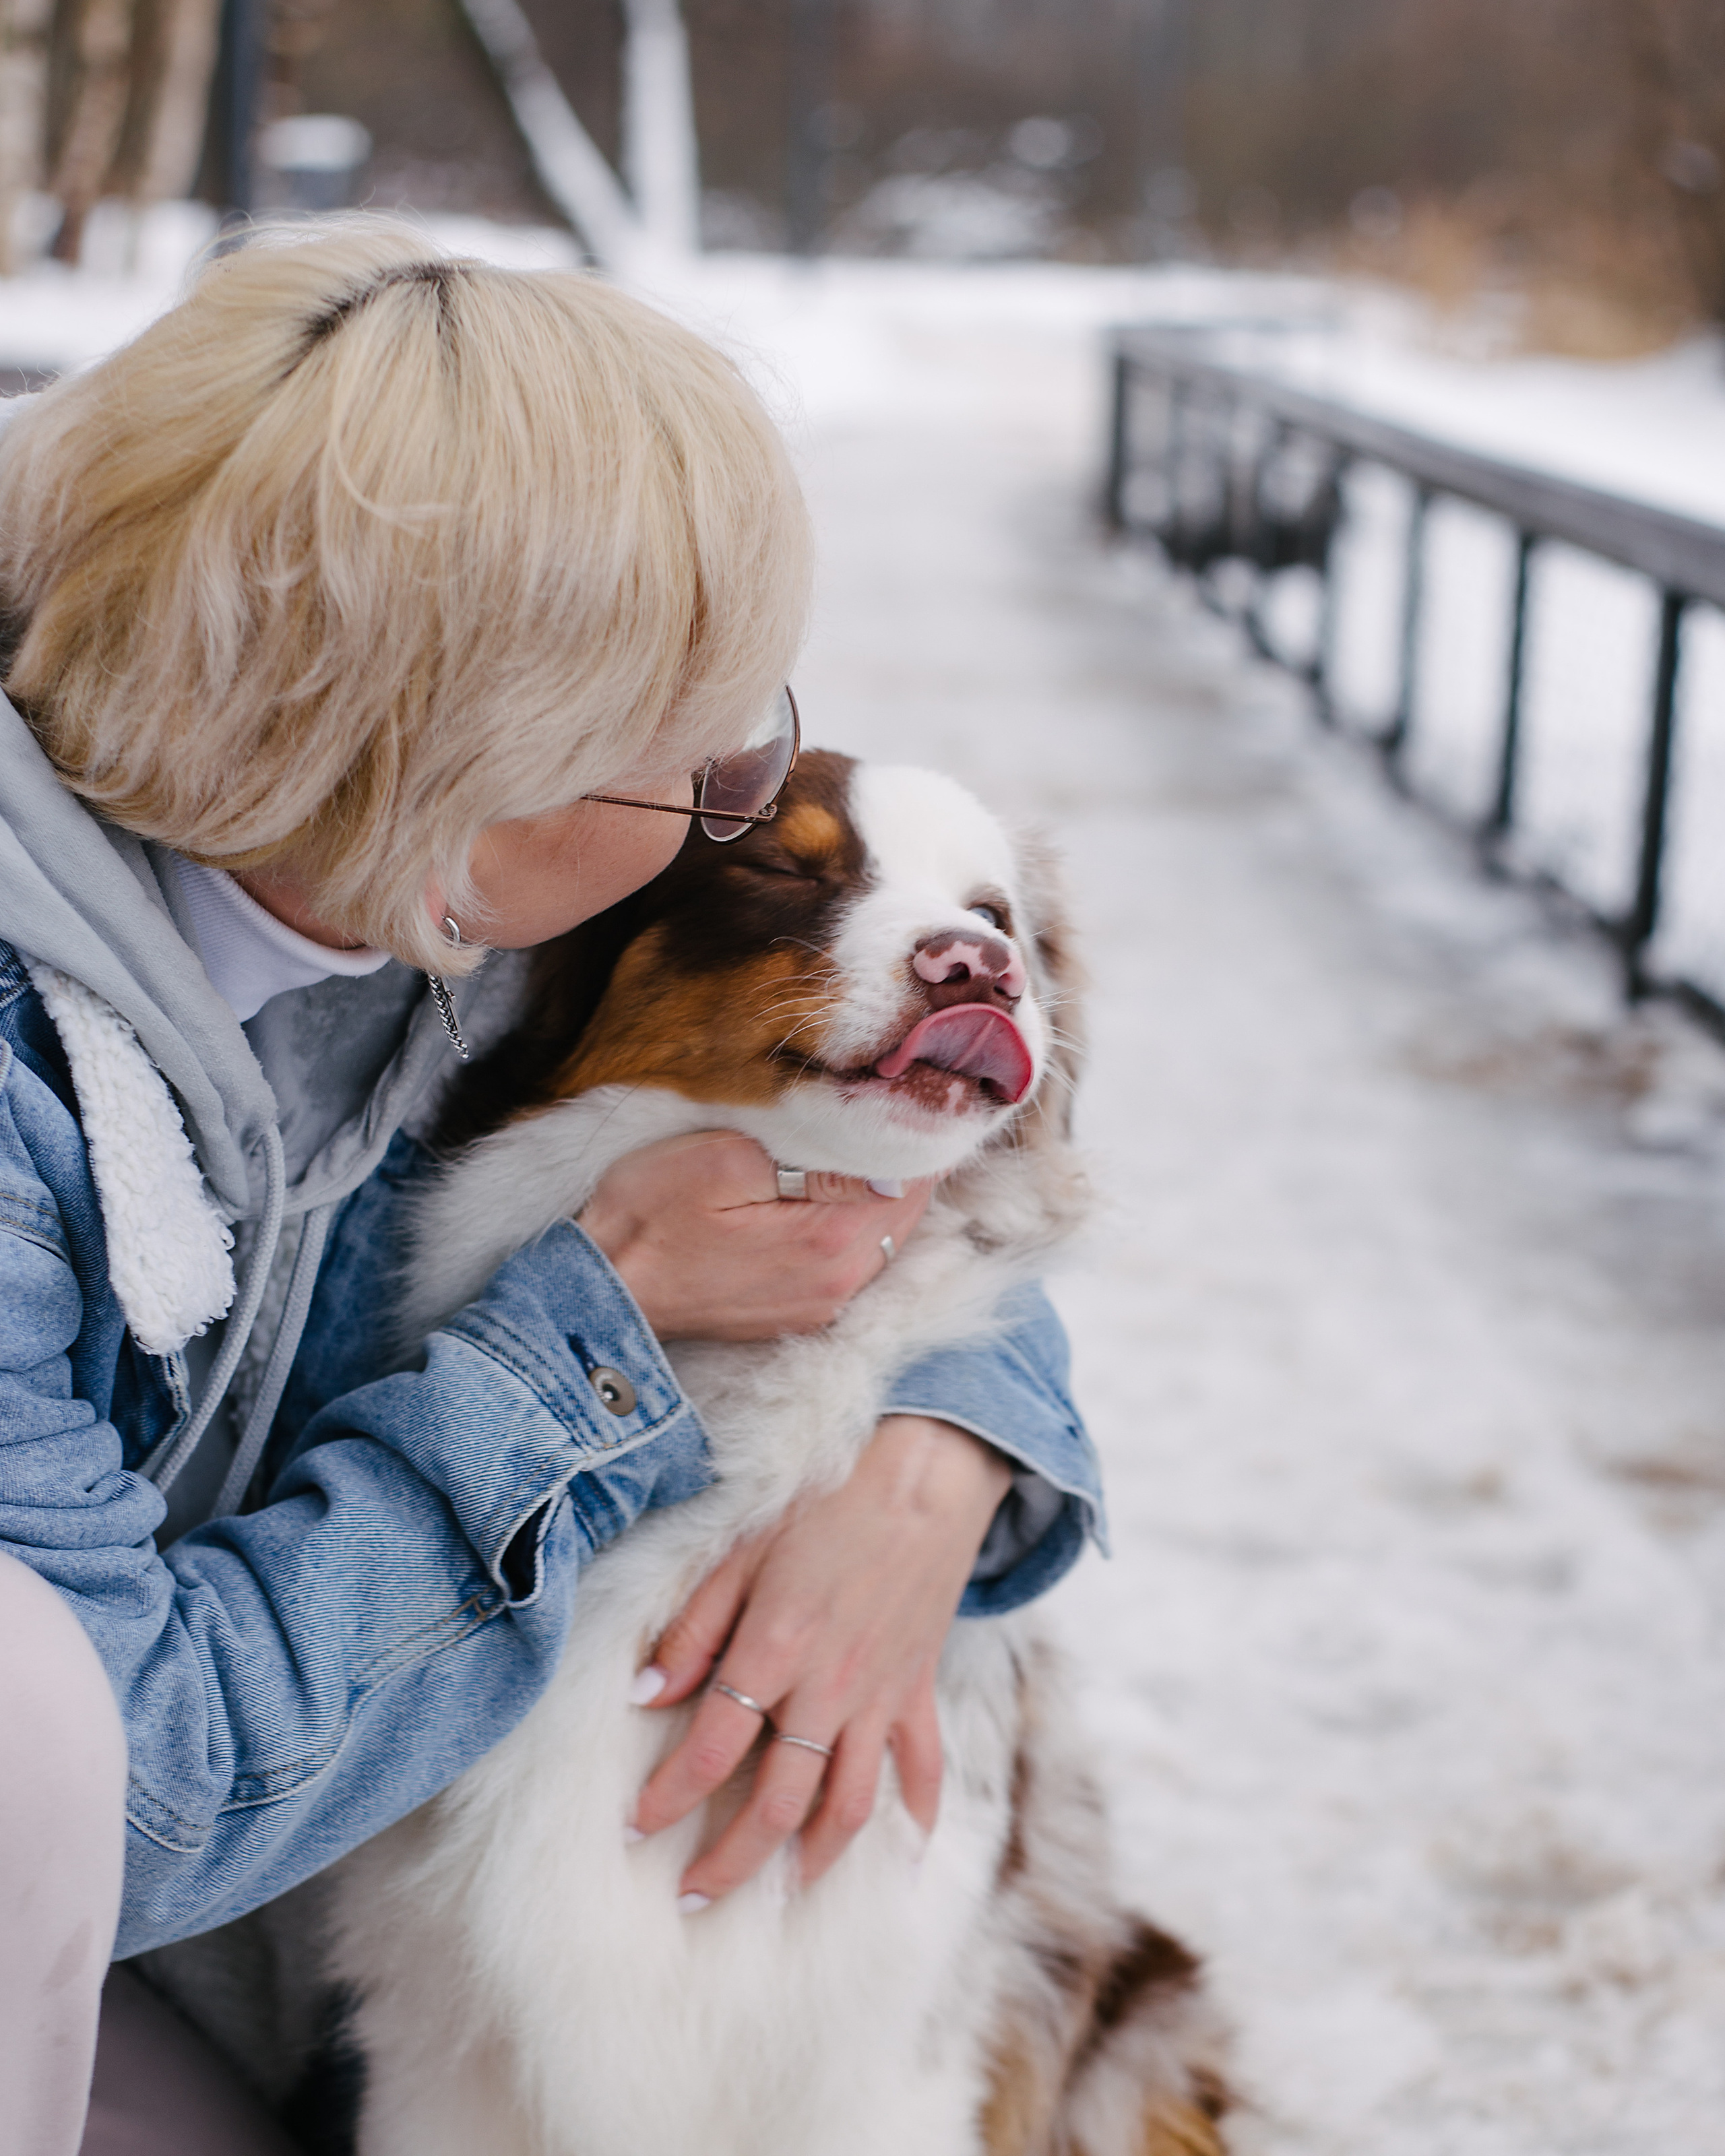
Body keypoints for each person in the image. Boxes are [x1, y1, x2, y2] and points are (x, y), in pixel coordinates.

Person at [0, 223, 1100, 2153]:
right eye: (685, 755)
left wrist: (939, 1454)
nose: (732, 797)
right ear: (432, 765)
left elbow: (878, 1147)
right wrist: (588, 1332)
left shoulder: (443, 890)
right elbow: (112, 1799)